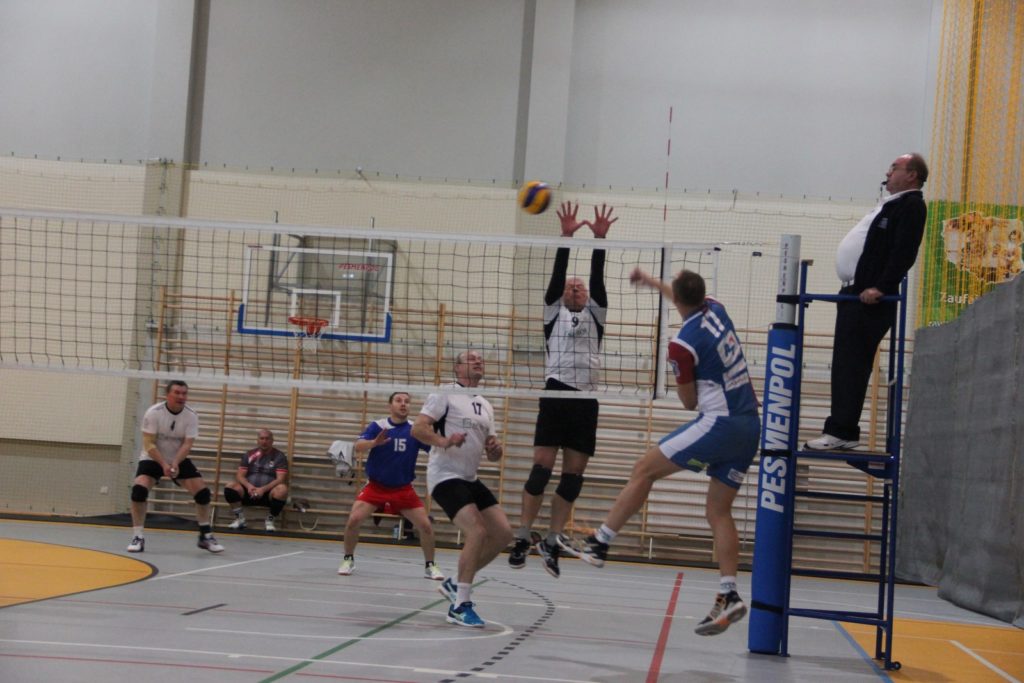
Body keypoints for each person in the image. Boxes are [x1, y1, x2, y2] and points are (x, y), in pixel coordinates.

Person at [564, 268, 760, 637]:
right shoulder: (716, 308)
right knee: (718, 511)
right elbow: (684, 297)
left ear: (679, 298)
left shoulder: (682, 344)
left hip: (719, 423)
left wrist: (688, 375)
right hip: (750, 425)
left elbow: (689, 402)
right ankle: (729, 593)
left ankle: (599, 543)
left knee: (644, 469)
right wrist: (652, 283)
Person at [510, 201, 617, 578]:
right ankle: (523, 535)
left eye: (579, 286)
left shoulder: (596, 314)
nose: (575, 287)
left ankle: (552, 540)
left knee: (573, 478)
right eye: (570, 286)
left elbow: (598, 279)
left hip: (585, 400)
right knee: (540, 471)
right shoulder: (552, 314)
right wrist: (566, 238)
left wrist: (599, 241)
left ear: (587, 296)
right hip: (556, 394)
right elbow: (557, 276)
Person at [806, 154, 928, 451]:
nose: (888, 172)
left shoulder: (911, 205)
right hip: (854, 293)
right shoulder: (891, 204)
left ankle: (842, 431)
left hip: (869, 299)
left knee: (851, 365)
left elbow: (904, 251)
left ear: (911, 175)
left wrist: (881, 287)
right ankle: (842, 429)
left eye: (894, 168)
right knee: (844, 363)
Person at [412, 350, 512, 628]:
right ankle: (460, 605)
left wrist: (496, 450)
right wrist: (444, 441)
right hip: (445, 475)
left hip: (469, 477)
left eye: (481, 359)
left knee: (503, 534)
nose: (478, 361)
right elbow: (417, 429)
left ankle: (455, 583)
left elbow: (493, 453)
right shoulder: (445, 393)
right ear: (457, 368)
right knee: (477, 531)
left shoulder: (486, 405)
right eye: (471, 359)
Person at [337, 391, 444, 580]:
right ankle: (348, 559)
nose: (403, 404)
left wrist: (444, 440)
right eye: (398, 400)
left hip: (403, 489)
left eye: (407, 401)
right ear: (390, 405)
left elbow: (435, 450)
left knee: (426, 526)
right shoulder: (378, 426)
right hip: (376, 487)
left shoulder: (415, 430)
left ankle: (430, 566)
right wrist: (374, 442)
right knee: (353, 520)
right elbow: (359, 446)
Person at [127, 380, 223, 554]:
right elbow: (148, 444)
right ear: (167, 395)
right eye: (177, 393)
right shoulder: (154, 413)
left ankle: (205, 536)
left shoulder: (191, 416)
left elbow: (187, 444)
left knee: (202, 493)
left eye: (184, 393)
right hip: (153, 457)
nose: (181, 396)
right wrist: (164, 464)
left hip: (178, 457)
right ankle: (138, 537)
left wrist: (176, 463)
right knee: (138, 491)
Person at [223, 428, 289, 532]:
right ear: (257, 440)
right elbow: (240, 476)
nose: (264, 441)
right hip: (249, 491)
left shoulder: (279, 456)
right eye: (262, 438)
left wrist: (263, 489)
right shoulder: (249, 454)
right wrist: (249, 486)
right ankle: (240, 519)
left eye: (267, 439)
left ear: (272, 441)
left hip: (268, 494)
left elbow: (280, 479)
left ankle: (270, 520)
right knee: (230, 486)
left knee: (283, 489)